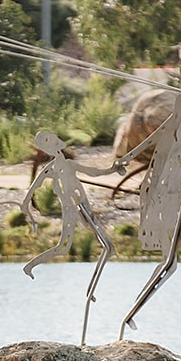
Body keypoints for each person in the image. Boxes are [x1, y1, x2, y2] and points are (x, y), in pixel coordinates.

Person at [20, 131, 124, 344]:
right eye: (47, 141)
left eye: (51, 138)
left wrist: (113, 168)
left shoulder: (68, 164)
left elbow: (94, 172)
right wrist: (29, 214)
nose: (54, 141)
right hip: (71, 208)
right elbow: (29, 194)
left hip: (84, 207)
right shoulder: (50, 170)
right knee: (65, 247)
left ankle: (91, 290)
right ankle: (31, 266)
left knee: (108, 247)